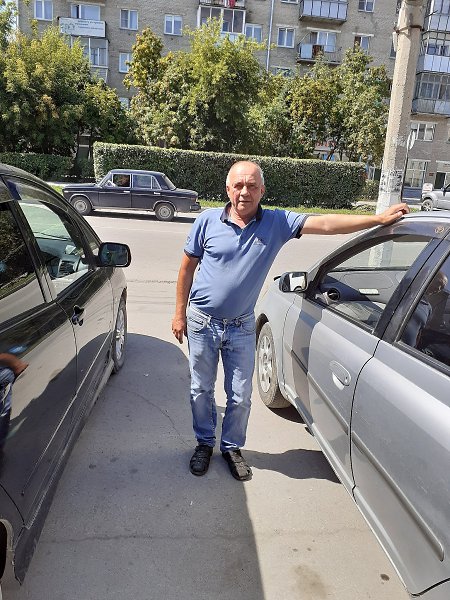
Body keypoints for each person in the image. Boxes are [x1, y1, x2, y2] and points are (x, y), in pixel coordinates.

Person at [171, 160, 409, 482]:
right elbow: (187, 268)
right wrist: (179, 313)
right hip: (202, 321)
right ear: (227, 189)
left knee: (240, 396)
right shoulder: (207, 221)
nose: (244, 192)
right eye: (238, 185)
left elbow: (326, 224)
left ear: (262, 190)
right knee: (201, 389)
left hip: (240, 326)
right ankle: (204, 443)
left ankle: (231, 447)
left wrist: (377, 220)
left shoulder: (277, 223)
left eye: (252, 186)